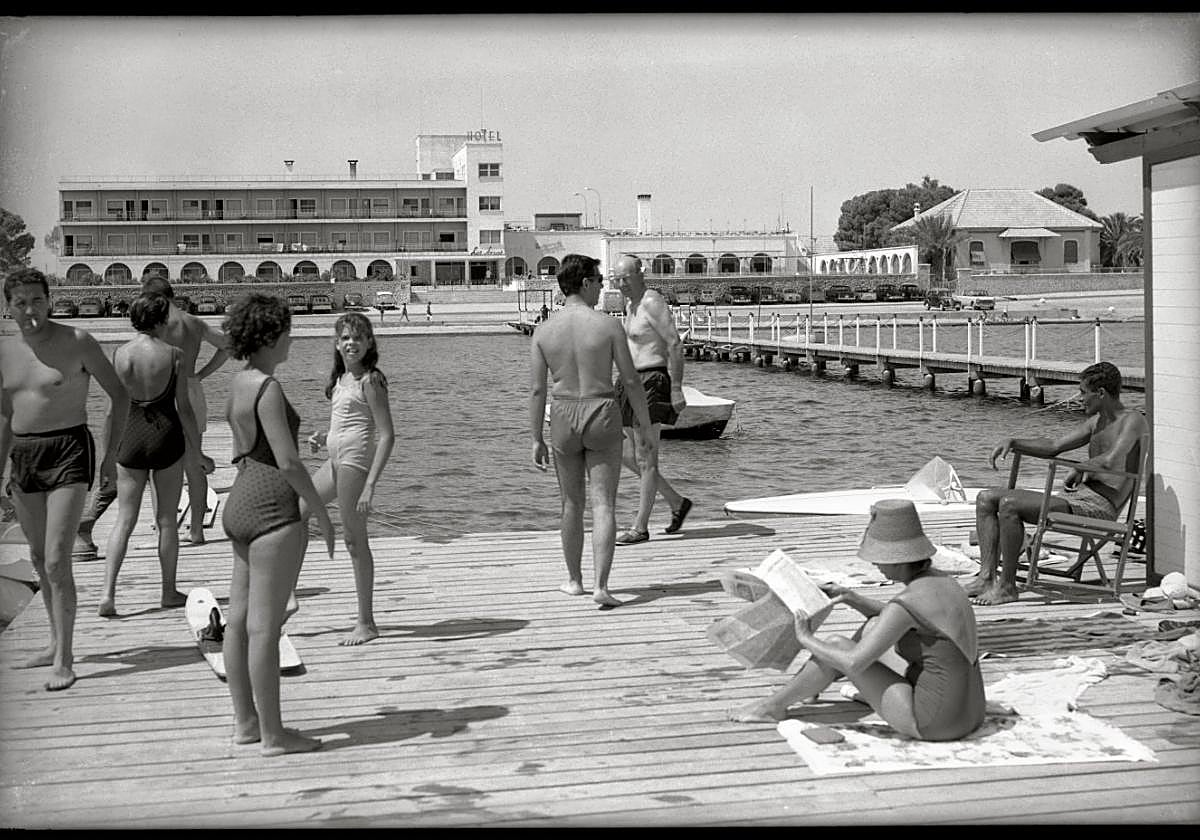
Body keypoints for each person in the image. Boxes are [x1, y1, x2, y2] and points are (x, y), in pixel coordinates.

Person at [731, 498, 986, 742]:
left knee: (838, 646)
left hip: (933, 722)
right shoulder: (943, 582)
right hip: (971, 712)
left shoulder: (907, 602)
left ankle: (772, 706)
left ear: (898, 558)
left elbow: (854, 663)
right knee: (873, 626)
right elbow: (899, 617)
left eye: (879, 558)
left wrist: (805, 638)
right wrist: (851, 597)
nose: (875, 564)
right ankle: (811, 683)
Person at [0, 268, 128, 691]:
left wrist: (110, 458)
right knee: (38, 558)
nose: (30, 310)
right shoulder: (5, 353)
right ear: (8, 307)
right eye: (20, 302)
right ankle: (53, 642)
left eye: (37, 300)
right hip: (23, 454)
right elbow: (5, 418)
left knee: (57, 558)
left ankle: (65, 658)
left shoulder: (77, 342)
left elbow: (120, 395)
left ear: (49, 300)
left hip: (68, 450)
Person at [220, 293, 335, 756]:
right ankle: (273, 735)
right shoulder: (268, 388)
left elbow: (239, 446)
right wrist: (321, 511)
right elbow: (288, 461)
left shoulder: (237, 382)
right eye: (287, 330)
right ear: (270, 335)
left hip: (241, 498)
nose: (292, 337)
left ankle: (246, 724)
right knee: (265, 629)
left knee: (238, 623)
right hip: (271, 505)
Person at [966, 361, 1148, 606]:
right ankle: (986, 577)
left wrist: (1080, 469)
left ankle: (1007, 587)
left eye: (1083, 392)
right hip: (1076, 497)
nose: (1079, 398)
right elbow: (1054, 446)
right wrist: (1014, 441)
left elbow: (1112, 459)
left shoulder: (1133, 420)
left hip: (1099, 507)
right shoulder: (1096, 422)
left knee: (1010, 504)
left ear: (1101, 393)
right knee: (985, 498)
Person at [529, 254, 652, 608]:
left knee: (571, 503)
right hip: (601, 410)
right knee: (603, 504)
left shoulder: (543, 331)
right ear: (584, 282)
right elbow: (630, 380)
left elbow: (537, 390)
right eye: (598, 279)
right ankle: (601, 586)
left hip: (564, 413)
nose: (602, 286)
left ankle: (573, 581)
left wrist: (535, 436)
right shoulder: (608, 326)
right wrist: (642, 425)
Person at [98, 293, 215, 617]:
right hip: (165, 436)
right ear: (162, 320)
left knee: (124, 519)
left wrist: (108, 456)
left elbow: (111, 412)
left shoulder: (120, 354)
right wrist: (198, 451)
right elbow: (185, 409)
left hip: (130, 438)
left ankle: (108, 593)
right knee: (166, 521)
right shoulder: (175, 355)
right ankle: (168, 591)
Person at [303, 313, 395, 645]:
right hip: (335, 460)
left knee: (354, 541)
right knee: (297, 511)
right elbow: (347, 424)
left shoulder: (371, 381)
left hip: (355, 466)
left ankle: (366, 622)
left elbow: (386, 436)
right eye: (345, 337)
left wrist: (370, 484)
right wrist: (323, 436)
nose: (350, 343)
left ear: (369, 342)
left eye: (357, 337)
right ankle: (287, 595)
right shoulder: (340, 380)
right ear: (336, 343)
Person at [139, 275, 229, 545]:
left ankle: (161, 528)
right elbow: (229, 346)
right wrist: (201, 374)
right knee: (194, 465)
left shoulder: (154, 324)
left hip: (160, 391)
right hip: (190, 387)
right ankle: (197, 531)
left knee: (159, 466)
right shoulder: (194, 322)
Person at [610, 255, 693, 545]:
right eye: (616, 279)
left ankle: (640, 527)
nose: (620, 284)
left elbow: (674, 343)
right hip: (629, 382)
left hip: (651, 381)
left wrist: (678, 387)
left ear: (640, 275)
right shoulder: (629, 304)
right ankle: (676, 501)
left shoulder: (651, 302)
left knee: (647, 457)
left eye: (625, 278)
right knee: (623, 453)